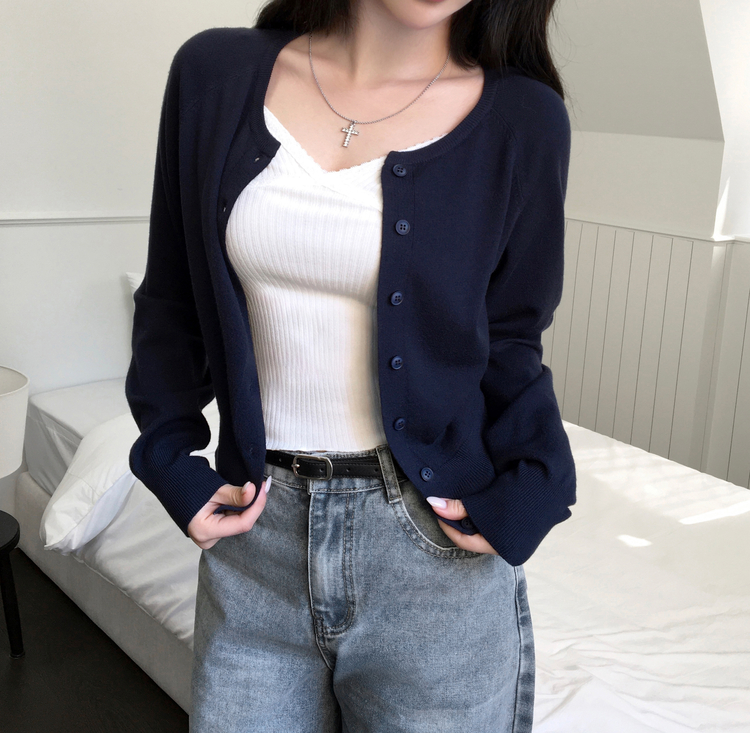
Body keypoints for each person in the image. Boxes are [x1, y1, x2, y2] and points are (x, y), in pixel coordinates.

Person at [125, 0, 577, 730]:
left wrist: (535, 485)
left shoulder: (525, 120)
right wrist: (168, 455)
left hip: (432, 559)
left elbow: (511, 337)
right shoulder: (213, 72)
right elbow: (171, 294)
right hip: (256, 546)